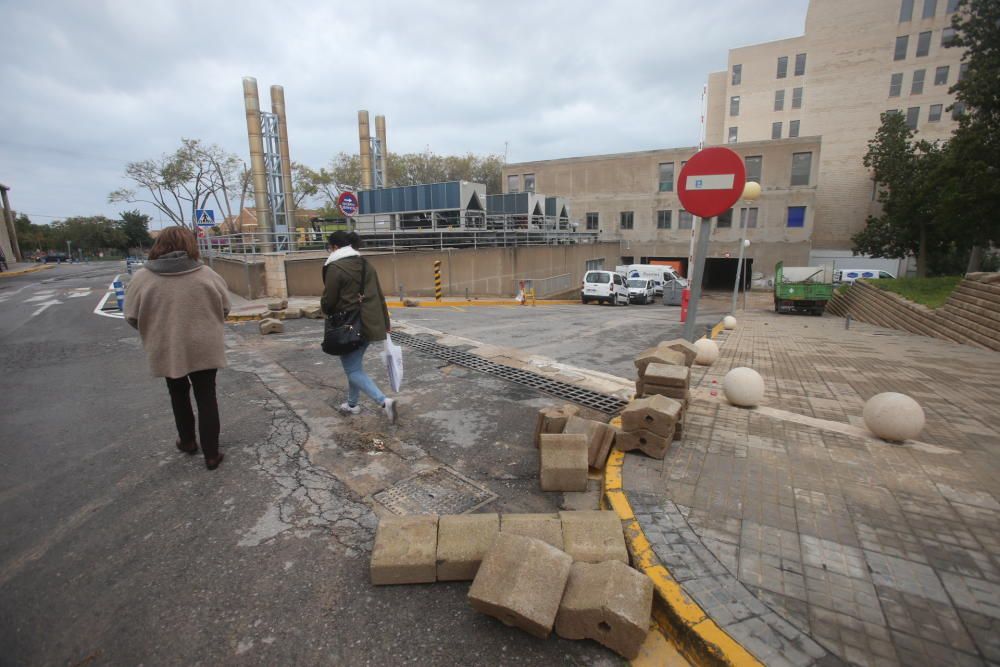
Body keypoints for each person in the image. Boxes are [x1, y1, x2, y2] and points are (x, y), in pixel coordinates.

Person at [124, 226, 230, 470]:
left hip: (166, 346)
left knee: (177, 393)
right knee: (207, 396)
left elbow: (131, 316)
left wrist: (155, 331)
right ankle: (212, 455)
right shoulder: (206, 274)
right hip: (205, 344)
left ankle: (188, 441)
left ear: (158, 245)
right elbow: (225, 308)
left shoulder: (143, 277)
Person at [321, 230, 396, 423]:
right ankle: (352, 404)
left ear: (335, 247)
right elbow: (379, 295)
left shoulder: (335, 268)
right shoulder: (366, 265)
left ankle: (384, 402)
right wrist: (386, 324)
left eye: (329, 247)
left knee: (353, 370)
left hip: (349, 326)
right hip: (370, 323)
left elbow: (329, 301)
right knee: (354, 367)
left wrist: (324, 307)